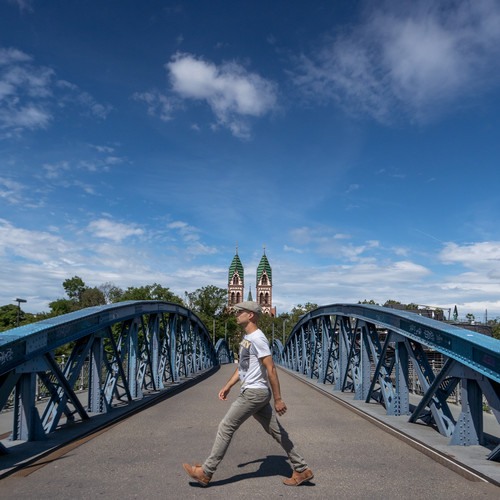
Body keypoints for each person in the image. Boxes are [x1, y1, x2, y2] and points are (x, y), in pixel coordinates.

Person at [182, 300, 313, 487]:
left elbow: (271, 369)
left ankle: (206, 472)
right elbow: (243, 367)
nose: (236, 315)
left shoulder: (258, 339)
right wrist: (228, 385)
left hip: (254, 393)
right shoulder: (247, 338)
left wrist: (278, 399)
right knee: (277, 432)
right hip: (254, 391)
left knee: (226, 427)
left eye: (239, 312)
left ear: (250, 315)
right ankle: (302, 469)